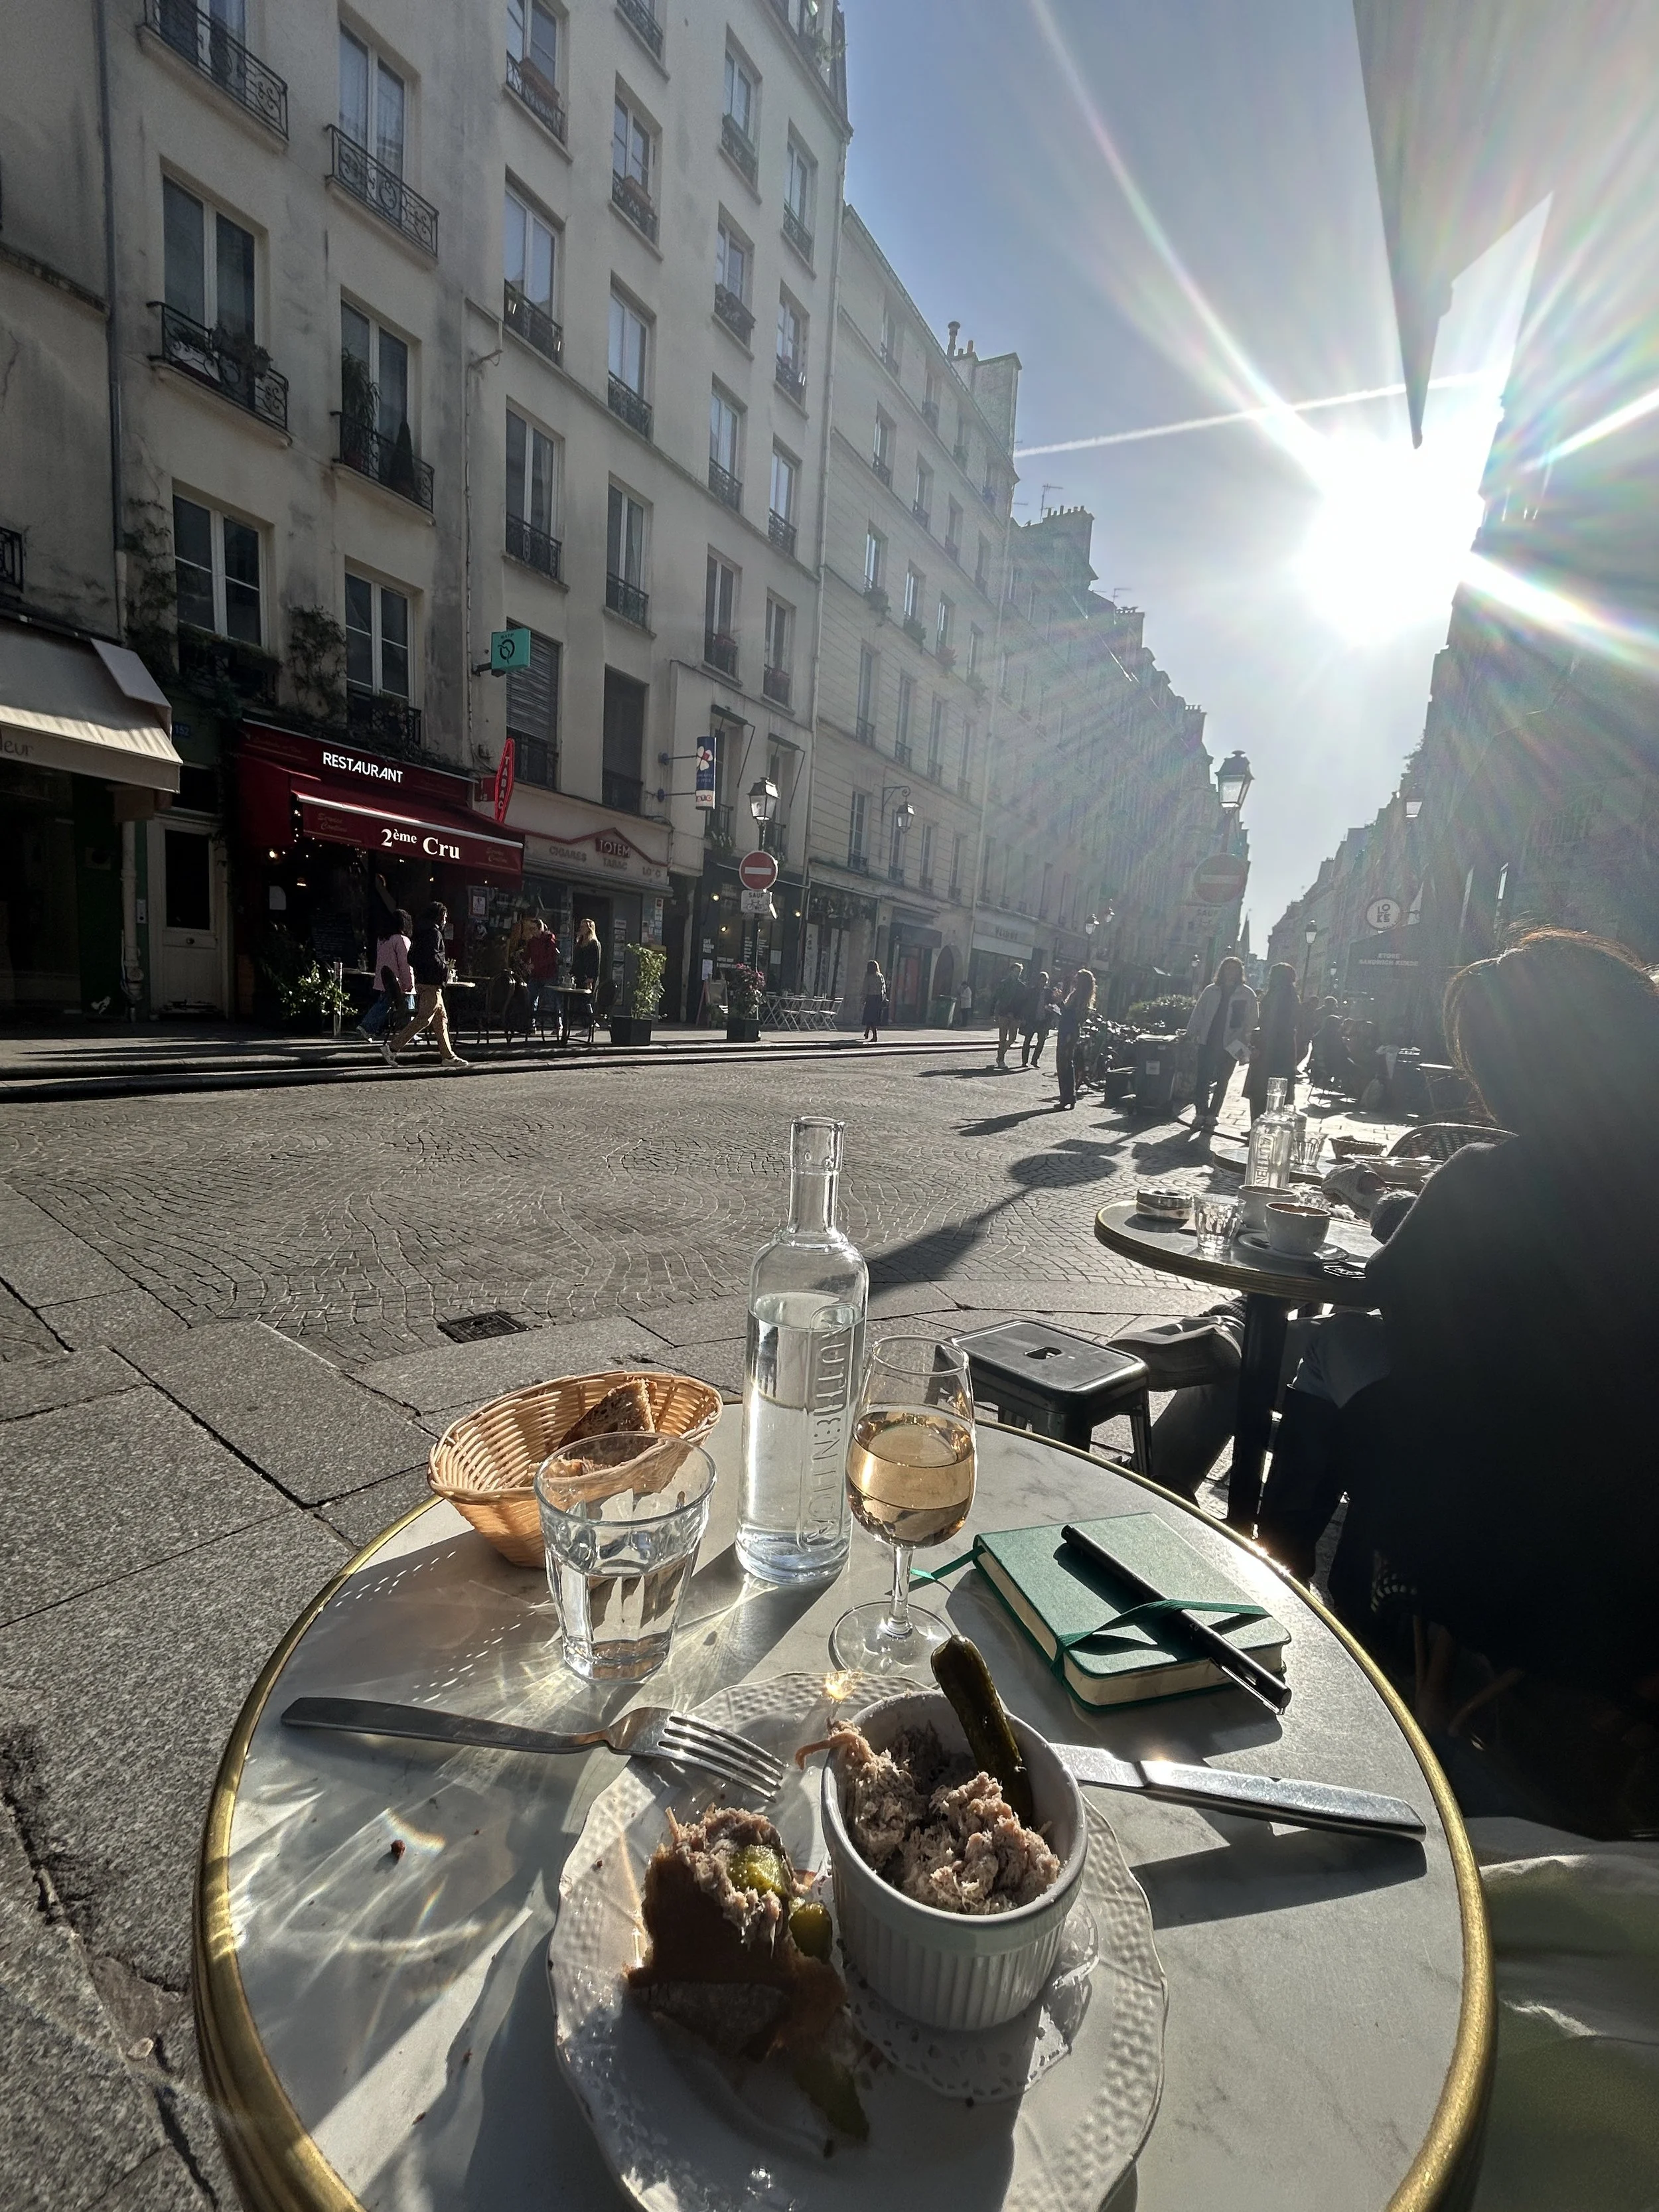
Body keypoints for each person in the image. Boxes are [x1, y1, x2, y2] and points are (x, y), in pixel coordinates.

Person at [1258, 932, 1659, 1700]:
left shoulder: (1490, 1179)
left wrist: (1391, 1207)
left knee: (1338, 1343)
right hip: (1632, 1570)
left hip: (1492, 1552)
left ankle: (1278, 1574)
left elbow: (1393, 1285)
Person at [382, 902, 468, 1070]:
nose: (445, 921)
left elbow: (411, 958)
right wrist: (445, 969)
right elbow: (434, 958)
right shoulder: (434, 934)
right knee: (424, 1019)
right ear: (438, 917)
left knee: (441, 1020)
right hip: (432, 984)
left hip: (424, 982)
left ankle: (448, 1056)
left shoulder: (420, 933)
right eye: (444, 917)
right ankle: (392, 1048)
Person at [1183, 956, 1257, 1133]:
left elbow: (1252, 1019)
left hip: (1232, 1043)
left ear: (1240, 973)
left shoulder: (1246, 993)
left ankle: (1213, 1114)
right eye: (1228, 968)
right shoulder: (1211, 991)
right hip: (1208, 1040)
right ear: (1222, 970)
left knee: (1223, 1080)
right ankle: (1200, 1112)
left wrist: (1247, 1040)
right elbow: (1199, 1013)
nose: (1231, 972)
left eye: (1234, 969)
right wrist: (1190, 1032)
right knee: (1202, 1078)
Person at [1243, 962, 1302, 1119]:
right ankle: (1270, 1120)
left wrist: (1258, 1043)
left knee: (1261, 1088)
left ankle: (1259, 1121)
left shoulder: (1277, 995)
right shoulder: (1292, 995)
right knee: (1277, 1088)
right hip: (1284, 1047)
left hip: (1270, 1045)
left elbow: (1270, 1022)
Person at [358, 907, 413, 1043]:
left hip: (385, 980)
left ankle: (368, 1027)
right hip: (399, 982)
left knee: (383, 1004)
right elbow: (406, 964)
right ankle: (410, 1033)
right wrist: (409, 983)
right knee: (409, 1006)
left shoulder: (383, 940)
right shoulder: (402, 940)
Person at [1054, 967, 1096, 1109]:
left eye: (1077, 978)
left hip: (1068, 1032)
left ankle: (1066, 1098)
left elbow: (1069, 1015)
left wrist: (1059, 1002)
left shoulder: (1078, 996)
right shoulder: (1084, 996)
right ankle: (1069, 1097)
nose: (1075, 980)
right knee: (1067, 1063)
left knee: (1063, 1064)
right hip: (1071, 1031)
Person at [524, 918, 560, 1039]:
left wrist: (535, 965)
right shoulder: (532, 942)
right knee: (531, 999)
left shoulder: (549, 940)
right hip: (535, 975)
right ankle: (531, 1025)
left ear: (541, 929)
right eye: (530, 929)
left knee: (551, 1000)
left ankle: (557, 1025)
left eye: (534, 929)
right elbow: (527, 955)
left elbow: (551, 958)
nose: (532, 931)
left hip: (548, 975)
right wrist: (526, 963)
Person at [569, 917, 601, 1044]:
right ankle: (586, 1024)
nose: (581, 929)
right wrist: (572, 972)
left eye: (583, 927)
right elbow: (577, 961)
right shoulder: (580, 943)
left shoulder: (593, 944)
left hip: (588, 977)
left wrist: (592, 977)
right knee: (578, 1001)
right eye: (581, 926)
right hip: (579, 976)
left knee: (586, 1000)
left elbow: (596, 962)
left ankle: (591, 1023)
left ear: (589, 929)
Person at [993, 962, 1027, 1068]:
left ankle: (1001, 1054)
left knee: (1012, 1038)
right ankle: (1001, 1060)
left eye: (1019, 972)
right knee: (1002, 1038)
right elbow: (998, 999)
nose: (1017, 973)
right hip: (1003, 1014)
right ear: (1011, 971)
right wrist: (996, 1013)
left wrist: (1020, 1016)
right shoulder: (1004, 984)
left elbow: (1022, 1003)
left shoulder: (1022, 986)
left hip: (1015, 1016)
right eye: (1015, 971)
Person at [1019, 970, 1052, 1068]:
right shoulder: (1031, 991)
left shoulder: (1048, 992)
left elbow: (1053, 1004)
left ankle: (1035, 1060)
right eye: (1041, 981)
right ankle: (1024, 1062)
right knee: (1027, 1040)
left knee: (1041, 1041)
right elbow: (1024, 1005)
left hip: (1043, 1021)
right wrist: (1023, 1018)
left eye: (1045, 981)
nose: (1043, 983)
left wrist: (1050, 1008)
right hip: (1031, 1020)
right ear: (1038, 981)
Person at [861, 958, 887, 1043]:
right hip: (878, 998)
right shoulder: (880, 976)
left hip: (871, 998)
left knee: (870, 1017)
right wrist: (884, 998)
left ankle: (875, 1036)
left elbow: (865, 988)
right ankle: (867, 1032)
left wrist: (863, 999)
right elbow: (883, 988)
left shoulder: (868, 976)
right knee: (874, 1017)